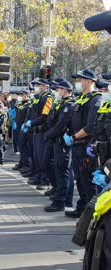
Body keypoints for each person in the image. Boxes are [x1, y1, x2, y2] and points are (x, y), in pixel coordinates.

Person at [64, 69, 103, 218]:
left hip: (85, 146)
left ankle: (90, 215)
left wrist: (73, 137)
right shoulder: (81, 98)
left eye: (80, 80)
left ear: (89, 81)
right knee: (79, 181)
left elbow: (90, 127)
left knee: (88, 183)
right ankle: (82, 208)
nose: (78, 83)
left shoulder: (95, 100)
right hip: (77, 145)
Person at [43, 80, 75, 212]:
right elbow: (52, 120)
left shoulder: (69, 105)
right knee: (58, 169)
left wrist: (48, 134)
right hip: (56, 140)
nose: (57, 91)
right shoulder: (60, 103)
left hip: (62, 141)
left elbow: (61, 125)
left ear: (66, 90)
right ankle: (60, 196)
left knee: (63, 171)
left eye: (59, 89)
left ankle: (61, 201)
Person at [23, 78, 54, 190]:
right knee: (36, 156)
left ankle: (45, 180)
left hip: (42, 130)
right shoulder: (39, 98)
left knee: (42, 157)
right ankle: (39, 176)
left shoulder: (47, 98)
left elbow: (44, 116)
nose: (37, 87)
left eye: (39, 85)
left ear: (45, 86)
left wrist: (32, 123)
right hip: (36, 130)